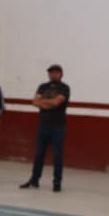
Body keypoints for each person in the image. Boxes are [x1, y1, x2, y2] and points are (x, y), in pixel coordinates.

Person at [22, 64, 71, 192]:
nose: (53, 75)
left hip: (58, 127)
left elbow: (57, 103)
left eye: (56, 72)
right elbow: (34, 102)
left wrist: (43, 102)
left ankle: (57, 183)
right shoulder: (42, 86)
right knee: (38, 154)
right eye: (51, 72)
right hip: (43, 126)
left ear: (61, 74)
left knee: (57, 156)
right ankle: (34, 180)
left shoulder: (64, 88)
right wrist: (50, 103)